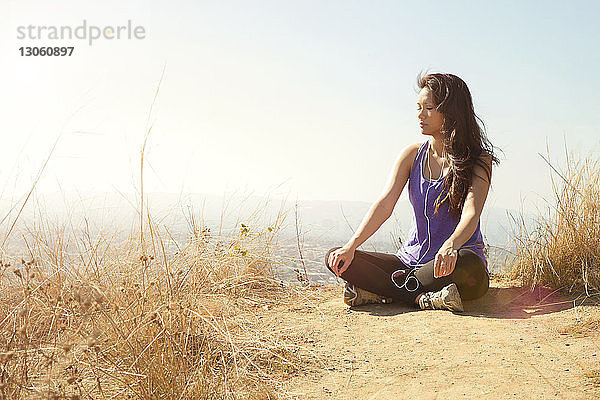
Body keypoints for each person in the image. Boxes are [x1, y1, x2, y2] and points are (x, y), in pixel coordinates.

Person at [325, 72, 500, 312]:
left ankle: (384, 292)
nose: (420, 115)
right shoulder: (412, 155)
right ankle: (423, 298)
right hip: (411, 264)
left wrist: (451, 245)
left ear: (451, 111)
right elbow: (385, 204)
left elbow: (472, 212)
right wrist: (351, 246)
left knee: (468, 265)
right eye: (418, 107)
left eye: (428, 108)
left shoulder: (478, 160)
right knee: (336, 258)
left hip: (454, 263)